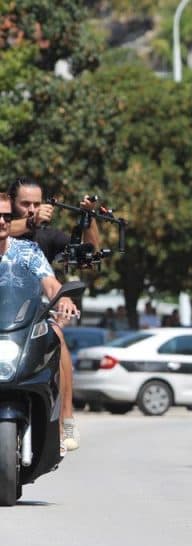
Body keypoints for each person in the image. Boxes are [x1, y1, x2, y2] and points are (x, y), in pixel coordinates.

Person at [9, 179, 99, 453]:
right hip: (4, 316)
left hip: (33, 317)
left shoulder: (45, 240)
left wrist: (89, 217)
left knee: (57, 337)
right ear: (11, 205)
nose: (31, 209)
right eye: (25, 204)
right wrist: (30, 223)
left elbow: (88, 254)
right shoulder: (6, 232)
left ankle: (66, 420)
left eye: (37, 204)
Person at [0, 194, 79, 452]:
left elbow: (51, 283)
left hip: (18, 331)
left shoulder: (27, 252)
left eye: (7, 217)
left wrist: (63, 300)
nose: (3, 222)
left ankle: (60, 421)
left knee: (55, 336)